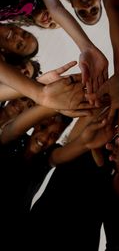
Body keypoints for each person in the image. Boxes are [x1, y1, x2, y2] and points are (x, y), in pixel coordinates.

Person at [0, 0, 108, 95]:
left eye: (51, 25)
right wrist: (86, 47)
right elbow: (56, 8)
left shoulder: (11, 17)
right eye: (57, 21)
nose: (52, 20)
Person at [28, 107, 119, 250]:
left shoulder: (116, 158)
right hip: (40, 227)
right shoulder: (76, 144)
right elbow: (90, 116)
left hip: (80, 240)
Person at [0, 103, 73, 247]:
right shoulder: (11, 138)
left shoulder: (47, 158)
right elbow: (13, 129)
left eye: (54, 135)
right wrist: (59, 103)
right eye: (43, 127)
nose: (45, 138)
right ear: (35, 123)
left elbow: (79, 145)